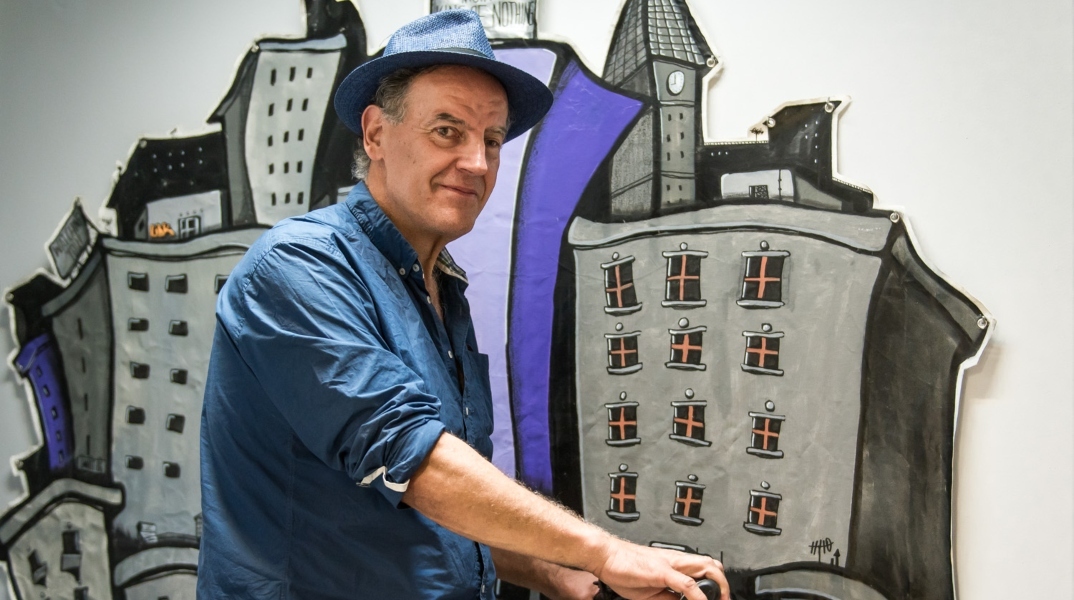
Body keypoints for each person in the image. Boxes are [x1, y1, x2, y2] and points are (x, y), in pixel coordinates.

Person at [198, 10, 729, 600]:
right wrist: (605, 550)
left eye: (492, 140)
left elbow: (445, 509)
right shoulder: (298, 266)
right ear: (375, 134)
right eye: (447, 131)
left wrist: (560, 575)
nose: (478, 162)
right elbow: (416, 463)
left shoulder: (442, 288)